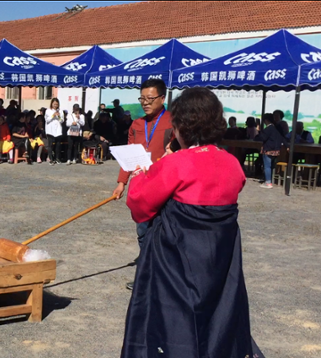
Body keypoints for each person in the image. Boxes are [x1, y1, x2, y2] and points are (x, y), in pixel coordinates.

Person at [121, 87, 263, 358]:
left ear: (179, 126)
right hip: (219, 260)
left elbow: (139, 205)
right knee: (216, 316)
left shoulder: (176, 164)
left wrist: (143, 174)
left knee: (173, 324)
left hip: (176, 264)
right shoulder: (232, 164)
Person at [111, 79, 174, 291]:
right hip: (141, 187)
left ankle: (159, 276)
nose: (145, 103)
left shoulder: (173, 122)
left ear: (162, 98)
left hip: (165, 186)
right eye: (142, 99)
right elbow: (128, 156)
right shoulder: (137, 124)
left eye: (150, 99)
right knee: (142, 231)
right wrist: (121, 183)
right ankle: (147, 275)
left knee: (164, 232)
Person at [254, 113, 287, 189]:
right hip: (276, 149)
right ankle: (269, 179)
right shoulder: (276, 128)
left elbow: (263, 137)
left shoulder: (268, 129)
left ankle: (268, 182)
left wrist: (258, 131)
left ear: (266, 120)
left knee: (267, 166)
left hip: (268, 149)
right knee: (271, 166)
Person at [45, 98, 64, 165]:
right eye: (54, 104)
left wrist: (58, 116)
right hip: (50, 130)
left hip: (58, 130)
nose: (55, 105)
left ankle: (57, 158)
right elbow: (47, 120)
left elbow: (62, 120)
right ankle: (51, 159)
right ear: (52, 104)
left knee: (58, 145)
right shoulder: (48, 110)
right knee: (50, 145)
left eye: (56, 104)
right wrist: (53, 115)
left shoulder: (60, 111)